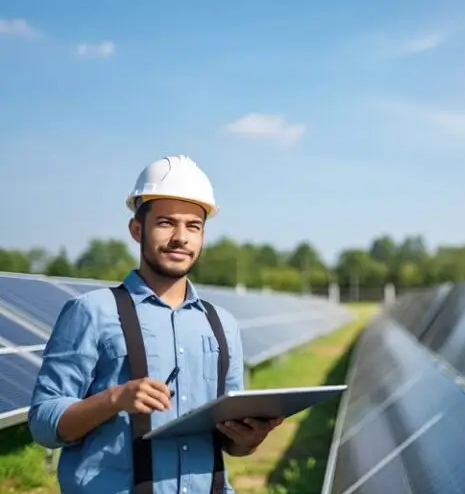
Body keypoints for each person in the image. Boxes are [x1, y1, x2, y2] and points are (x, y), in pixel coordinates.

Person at [28, 155, 283, 494]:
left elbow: (229, 443)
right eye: (166, 223)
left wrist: (249, 439)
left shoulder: (222, 325)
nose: (181, 237)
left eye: (193, 226)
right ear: (137, 229)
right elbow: (44, 423)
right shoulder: (91, 312)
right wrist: (114, 398)